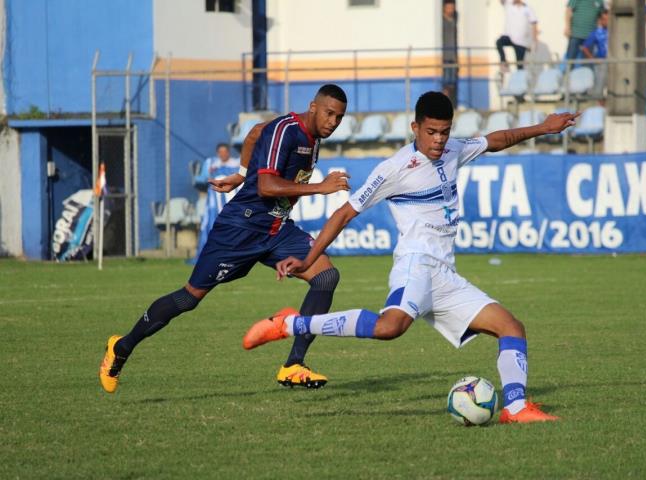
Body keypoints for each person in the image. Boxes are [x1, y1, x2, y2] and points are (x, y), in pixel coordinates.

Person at [243, 91, 579, 424]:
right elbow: (343, 214)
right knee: (390, 328)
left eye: (444, 132)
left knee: (512, 328)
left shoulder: (453, 150)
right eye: (431, 132)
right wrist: (307, 259)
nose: (438, 140)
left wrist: (544, 128)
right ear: (415, 127)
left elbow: (498, 139)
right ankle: (289, 324)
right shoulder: (395, 168)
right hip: (415, 264)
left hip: (445, 274)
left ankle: (516, 409)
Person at [99, 84, 352, 393]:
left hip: (277, 229)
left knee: (326, 276)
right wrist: (319, 187)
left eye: (339, 117)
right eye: (329, 113)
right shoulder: (287, 130)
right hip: (240, 229)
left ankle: (293, 365)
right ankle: (122, 347)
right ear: (313, 106)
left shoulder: (312, 140)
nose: (333, 122)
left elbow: (255, 132)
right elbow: (267, 187)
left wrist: (241, 173)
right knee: (189, 298)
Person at [191, 143, 242, 263]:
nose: (223, 154)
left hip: (233, 204)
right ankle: (212, 254)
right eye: (220, 152)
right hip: (215, 204)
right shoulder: (211, 164)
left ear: (229, 152)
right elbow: (203, 179)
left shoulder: (237, 163)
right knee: (212, 226)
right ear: (217, 153)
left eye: (225, 151)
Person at [496, 0, 538, 72]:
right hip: (509, 37)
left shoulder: (528, 8)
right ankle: (503, 61)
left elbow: (534, 25)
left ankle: (520, 80)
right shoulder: (508, 4)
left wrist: (534, 41)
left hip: (522, 41)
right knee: (499, 42)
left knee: (520, 65)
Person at [565, 0, 604, 69]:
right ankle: (567, 78)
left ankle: (586, 79)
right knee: (570, 61)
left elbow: (601, 17)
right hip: (576, 34)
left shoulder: (600, 1)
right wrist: (567, 27)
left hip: (590, 37)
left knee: (587, 64)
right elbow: (568, 10)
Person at [580, 9, 609, 100]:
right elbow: (584, 47)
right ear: (600, 20)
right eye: (605, 19)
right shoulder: (596, 33)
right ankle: (597, 103)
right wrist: (593, 59)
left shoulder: (614, 31)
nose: (607, 21)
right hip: (602, 61)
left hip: (614, 60)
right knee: (599, 84)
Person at [441, 1, 459, 105]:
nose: (451, 10)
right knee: (446, 83)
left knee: (452, 83)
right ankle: (444, 104)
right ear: (444, 8)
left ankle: (449, 103)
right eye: (449, 8)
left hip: (453, 56)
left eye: (452, 8)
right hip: (445, 57)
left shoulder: (454, 21)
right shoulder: (442, 22)